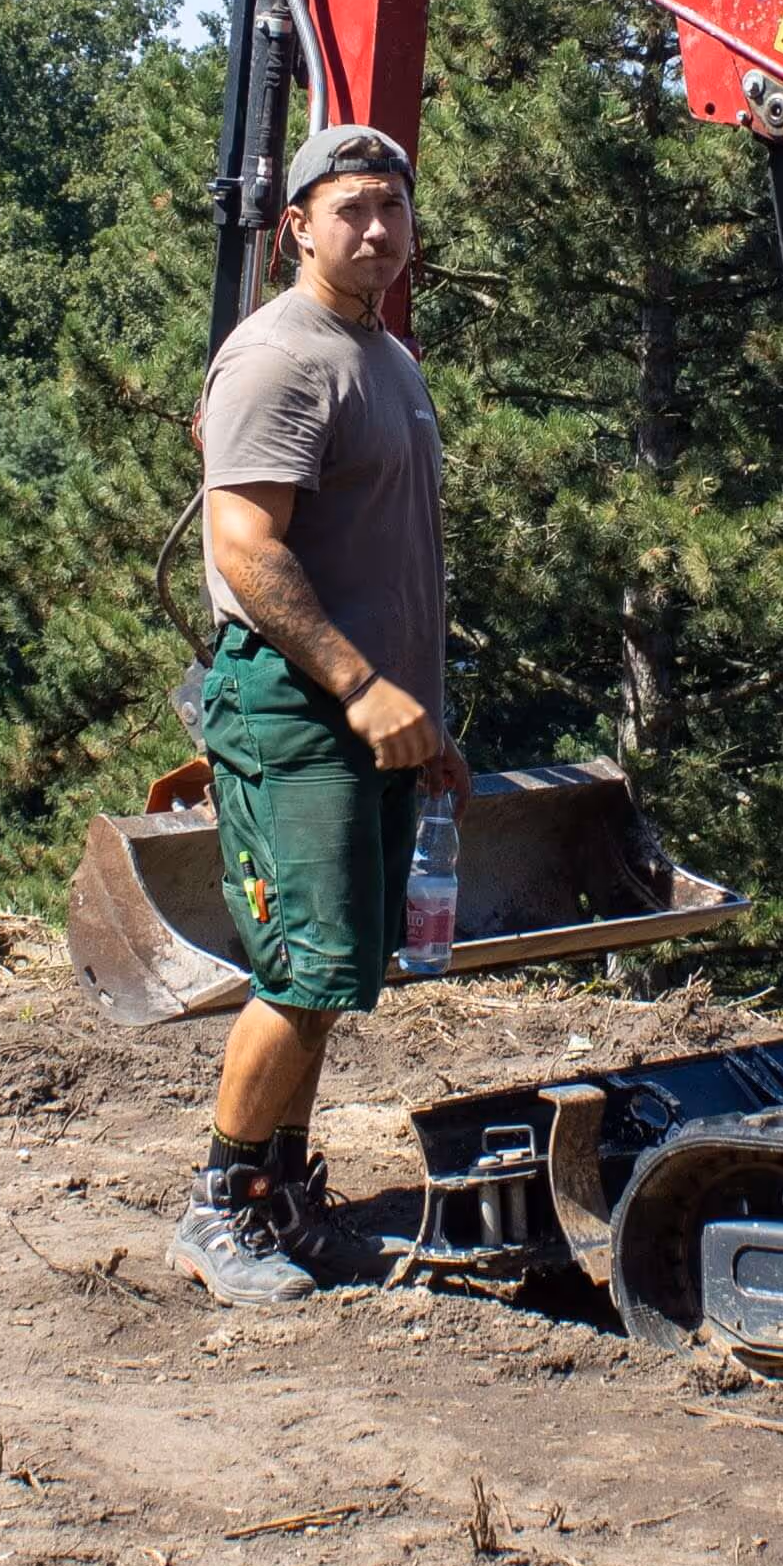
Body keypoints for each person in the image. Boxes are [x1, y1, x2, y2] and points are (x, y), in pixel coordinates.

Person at [174, 122, 457, 1306]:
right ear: (296, 224)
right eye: (351, 209)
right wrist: (358, 685)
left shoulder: (385, 358)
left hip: (374, 713)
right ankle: (215, 1210)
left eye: (392, 206)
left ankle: (283, 1192)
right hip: (295, 707)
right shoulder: (281, 355)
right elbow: (245, 547)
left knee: (334, 968)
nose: (378, 228)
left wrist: (427, 717)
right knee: (303, 968)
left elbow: (397, 558)